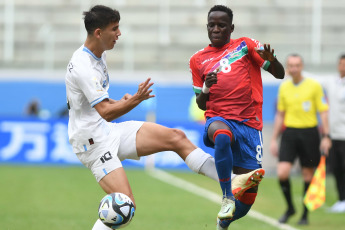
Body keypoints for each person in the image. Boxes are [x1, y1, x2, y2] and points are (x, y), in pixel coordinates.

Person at [65, 5, 255, 230]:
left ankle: (232, 181)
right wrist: (135, 100)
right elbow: (105, 112)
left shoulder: (98, 56)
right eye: (114, 28)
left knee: (176, 137)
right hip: (92, 144)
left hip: (106, 131)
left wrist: (123, 101)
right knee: (124, 207)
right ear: (98, 32)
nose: (119, 33)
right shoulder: (83, 65)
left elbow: (97, 105)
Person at [189, 5, 285, 229]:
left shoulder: (245, 45)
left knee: (249, 196)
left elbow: (279, 74)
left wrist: (274, 61)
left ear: (231, 28)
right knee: (221, 136)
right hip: (218, 118)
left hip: (250, 125)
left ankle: (223, 223)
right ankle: (226, 198)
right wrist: (205, 88)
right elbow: (201, 104)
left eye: (221, 25)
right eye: (212, 25)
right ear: (207, 27)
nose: (216, 29)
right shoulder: (197, 60)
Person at [270, 54, 332, 225]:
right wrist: (274, 139)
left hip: (309, 133)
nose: (294, 68)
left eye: (297, 65)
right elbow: (280, 115)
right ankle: (290, 207)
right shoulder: (284, 87)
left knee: (307, 174)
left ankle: (305, 214)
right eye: (291, 65)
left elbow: (323, 112)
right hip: (289, 133)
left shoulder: (314, 86)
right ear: (287, 68)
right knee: (282, 172)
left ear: (302, 66)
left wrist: (326, 136)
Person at [322, 54, 345, 213]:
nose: (342, 66)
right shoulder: (332, 82)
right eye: (340, 63)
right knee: (337, 168)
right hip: (335, 135)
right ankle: (341, 199)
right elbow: (314, 79)